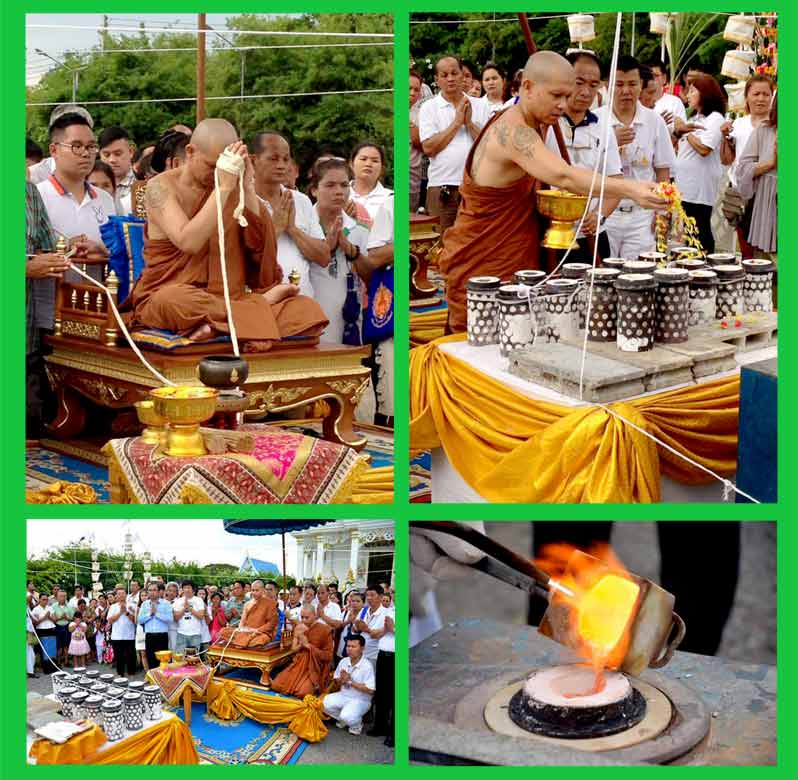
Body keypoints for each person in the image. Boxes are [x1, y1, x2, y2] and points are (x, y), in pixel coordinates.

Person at [438, 52, 668, 332]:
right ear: (527, 87)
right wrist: (631, 188)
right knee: (479, 347)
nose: (563, 105)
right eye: (556, 95)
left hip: (518, 254)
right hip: (485, 262)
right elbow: (562, 175)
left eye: (566, 95)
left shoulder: (538, 124)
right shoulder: (512, 131)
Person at [125, 118, 327, 352]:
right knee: (173, 301)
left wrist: (247, 187)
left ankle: (222, 325)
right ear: (190, 152)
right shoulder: (160, 187)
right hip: (179, 297)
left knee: (307, 311)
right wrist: (223, 188)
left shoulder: (235, 187)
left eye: (226, 167)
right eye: (212, 167)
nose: (219, 174)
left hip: (232, 298)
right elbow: (188, 242)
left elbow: (262, 256)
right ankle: (257, 311)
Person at [594, 55, 675, 261]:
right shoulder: (595, 120)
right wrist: (611, 142)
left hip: (641, 215)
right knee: (603, 273)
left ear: (641, 86)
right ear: (607, 85)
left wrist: (661, 212)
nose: (626, 91)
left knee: (639, 274)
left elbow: (663, 170)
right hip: (603, 214)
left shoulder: (654, 121)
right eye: (619, 84)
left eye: (632, 84)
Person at [544, 50, 622, 262]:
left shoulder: (603, 128)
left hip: (590, 235)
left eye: (593, 84)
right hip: (548, 234)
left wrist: (599, 215)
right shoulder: (546, 123)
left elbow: (615, 182)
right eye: (579, 82)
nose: (586, 92)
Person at [36, 112, 113, 287]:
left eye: (91, 146)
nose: (86, 154)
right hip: (46, 305)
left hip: (95, 304)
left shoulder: (105, 199)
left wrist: (102, 251)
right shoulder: (36, 197)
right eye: (76, 146)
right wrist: (62, 250)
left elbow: (121, 252)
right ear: (54, 150)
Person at [251, 131, 329, 297]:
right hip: (261, 302)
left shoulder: (300, 201)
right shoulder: (240, 202)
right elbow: (242, 260)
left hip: (302, 302)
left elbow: (323, 257)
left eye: (286, 159)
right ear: (253, 161)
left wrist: (293, 229)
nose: (281, 165)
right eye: (273, 158)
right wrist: (275, 228)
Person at [419, 56, 491, 231]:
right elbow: (429, 148)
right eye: (444, 75)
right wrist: (457, 123)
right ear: (436, 80)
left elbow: (490, 146)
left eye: (454, 73)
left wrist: (470, 124)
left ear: (463, 76)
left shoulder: (480, 105)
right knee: (441, 243)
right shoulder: (429, 107)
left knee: (473, 242)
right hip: (442, 186)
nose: (450, 78)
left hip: (475, 186)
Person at [310, 158, 371, 344]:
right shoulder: (303, 227)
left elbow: (370, 277)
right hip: (310, 319)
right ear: (314, 190)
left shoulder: (359, 230)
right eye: (330, 185)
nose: (338, 192)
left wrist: (351, 251)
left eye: (344, 185)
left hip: (348, 320)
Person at [720, 75, 774, 257]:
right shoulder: (738, 124)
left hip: (767, 195)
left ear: (773, 97)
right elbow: (727, 160)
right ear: (747, 96)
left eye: (766, 94)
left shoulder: (775, 126)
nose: (761, 99)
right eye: (756, 94)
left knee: (766, 249)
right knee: (746, 249)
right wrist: (724, 138)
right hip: (741, 194)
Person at [674, 74, 727, 254]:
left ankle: (705, 265)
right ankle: (693, 265)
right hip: (687, 184)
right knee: (690, 228)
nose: (687, 95)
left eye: (692, 91)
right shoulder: (695, 118)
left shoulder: (715, 118)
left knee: (700, 226)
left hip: (699, 185)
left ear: (705, 93)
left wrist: (686, 133)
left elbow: (705, 148)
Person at [736, 95, 777, 260]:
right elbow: (742, 170)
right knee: (766, 268)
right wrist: (770, 164)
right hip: (769, 210)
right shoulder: (764, 131)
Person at [271, 605, 334, 697]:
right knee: (276, 685)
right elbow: (293, 649)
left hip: (314, 667)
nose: (304, 620)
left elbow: (328, 656)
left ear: (315, 615)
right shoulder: (299, 628)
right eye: (302, 617)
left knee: (302, 693)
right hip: (299, 663)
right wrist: (301, 644)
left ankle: (314, 685)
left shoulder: (325, 630)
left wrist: (308, 646)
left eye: (307, 617)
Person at [323, 635, 376, 735]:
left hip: (361, 700)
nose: (349, 649)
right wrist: (341, 680)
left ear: (362, 648)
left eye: (353, 647)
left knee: (347, 716)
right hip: (343, 695)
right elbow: (336, 680)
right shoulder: (344, 661)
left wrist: (350, 682)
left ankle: (356, 725)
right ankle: (345, 718)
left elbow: (371, 690)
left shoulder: (367, 665)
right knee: (323, 704)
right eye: (348, 646)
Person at [213, 579, 278, 648]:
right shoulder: (248, 604)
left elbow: (272, 624)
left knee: (261, 640)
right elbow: (242, 621)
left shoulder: (270, 603)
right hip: (246, 631)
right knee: (223, 631)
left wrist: (256, 630)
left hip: (260, 633)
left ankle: (241, 642)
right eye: (252, 590)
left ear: (262, 590)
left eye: (257, 590)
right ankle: (243, 641)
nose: (254, 593)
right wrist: (240, 629)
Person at [370, 592, 395, 744]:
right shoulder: (389, 611)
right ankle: (380, 726)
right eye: (393, 592)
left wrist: (393, 629)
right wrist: (385, 630)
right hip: (383, 655)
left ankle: (394, 733)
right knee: (381, 693)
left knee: (394, 696)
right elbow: (376, 633)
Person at [350, 142, 393, 222]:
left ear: (382, 168)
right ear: (351, 164)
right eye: (363, 159)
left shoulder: (391, 198)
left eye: (375, 161)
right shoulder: (339, 194)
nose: (368, 164)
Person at [98, 126, 137, 214]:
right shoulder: (89, 184)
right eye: (106, 155)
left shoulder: (143, 183)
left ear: (131, 152)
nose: (112, 160)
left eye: (118, 154)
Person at [137, 582, 172, 670]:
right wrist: (150, 614)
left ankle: (163, 681)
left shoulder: (166, 604)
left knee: (163, 661)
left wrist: (156, 613)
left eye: (154, 590)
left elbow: (169, 619)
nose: (152, 592)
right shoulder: (144, 604)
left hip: (162, 636)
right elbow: (140, 620)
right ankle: (153, 681)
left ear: (159, 591)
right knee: (151, 659)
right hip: (149, 636)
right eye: (150, 590)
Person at [648, 60, 687, 134]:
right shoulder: (637, 103)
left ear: (664, 78)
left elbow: (682, 133)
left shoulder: (675, 103)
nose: (652, 80)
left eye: (655, 76)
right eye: (649, 76)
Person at [354, 585, 388, 664]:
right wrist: (357, 627)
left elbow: (376, 634)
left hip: (374, 655)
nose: (369, 598)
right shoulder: (363, 611)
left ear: (381, 597)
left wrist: (366, 629)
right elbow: (355, 629)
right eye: (367, 595)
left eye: (372, 595)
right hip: (360, 653)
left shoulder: (387, 613)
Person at [107, 586, 136, 676]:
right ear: (116, 596)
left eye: (123, 593)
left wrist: (126, 612)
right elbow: (110, 621)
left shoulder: (131, 605)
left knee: (130, 656)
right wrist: (120, 612)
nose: (121, 595)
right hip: (117, 636)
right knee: (119, 656)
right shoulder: (113, 607)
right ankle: (120, 674)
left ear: (126, 595)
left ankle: (131, 673)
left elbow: (135, 620)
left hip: (129, 635)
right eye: (119, 594)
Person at [173, 580, 205, 653]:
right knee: (180, 658)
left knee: (194, 659)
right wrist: (184, 608)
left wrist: (190, 608)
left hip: (195, 634)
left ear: (193, 589)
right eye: (185, 588)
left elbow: (201, 616)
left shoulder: (198, 600)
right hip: (181, 633)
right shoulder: (178, 601)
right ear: (182, 589)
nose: (187, 590)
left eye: (189, 588)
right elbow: (176, 618)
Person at [30, 593, 57, 674]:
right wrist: (45, 617)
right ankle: (46, 668)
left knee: (52, 649)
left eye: (46, 599)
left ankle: (54, 667)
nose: (45, 601)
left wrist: (50, 617)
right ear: (39, 600)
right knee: (45, 650)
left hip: (51, 629)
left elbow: (55, 620)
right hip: (41, 630)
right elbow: (35, 623)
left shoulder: (50, 608)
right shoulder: (36, 609)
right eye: (43, 599)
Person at [410, 71, 425, 212]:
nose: (412, 93)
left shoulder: (421, 114)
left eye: (416, 90)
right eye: (408, 88)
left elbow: (422, 144)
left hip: (413, 175)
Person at [337, 591, 366, 660]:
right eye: (353, 601)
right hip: (343, 643)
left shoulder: (365, 614)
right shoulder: (346, 611)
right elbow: (339, 625)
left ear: (363, 603)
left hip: (356, 646)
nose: (355, 603)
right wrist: (348, 621)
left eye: (358, 601)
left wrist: (354, 621)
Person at [50, 589, 74, 666]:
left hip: (67, 626)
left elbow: (72, 618)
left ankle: (66, 662)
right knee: (59, 646)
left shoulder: (70, 606)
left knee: (67, 645)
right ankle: (58, 662)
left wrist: (67, 618)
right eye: (61, 596)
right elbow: (53, 619)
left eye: (64, 596)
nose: (63, 598)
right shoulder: (53, 606)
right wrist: (60, 617)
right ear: (57, 597)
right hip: (58, 626)